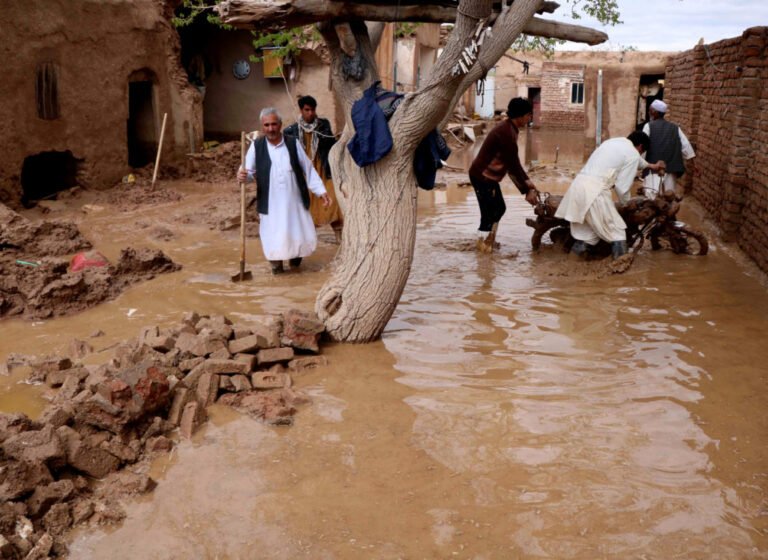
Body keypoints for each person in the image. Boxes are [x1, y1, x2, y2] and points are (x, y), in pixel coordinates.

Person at [237, 108, 330, 274]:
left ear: (280, 125)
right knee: (273, 236)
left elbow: (307, 169)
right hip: (270, 203)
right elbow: (247, 173)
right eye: (267, 125)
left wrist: (321, 191)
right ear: (262, 126)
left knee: (297, 235)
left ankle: (295, 266)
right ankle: (277, 268)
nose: (271, 129)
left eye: (274, 124)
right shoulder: (256, 146)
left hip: (294, 202)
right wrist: (243, 176)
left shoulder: (292, 143)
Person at [555, 131, 666, 260]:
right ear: (641, 147)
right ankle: (619, 271)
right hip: (595, 192)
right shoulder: (633, 154)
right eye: (641, 151)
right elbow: (622, 187)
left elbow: (636, 160)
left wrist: (652, 166)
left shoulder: (613, 143)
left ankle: (570, 265)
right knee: (618, 233)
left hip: (578, 188)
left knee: (589, 236)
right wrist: (627, 204)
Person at [468, 97, 539, 252]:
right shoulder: (506, 133)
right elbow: (512, 166)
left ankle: (489, 242)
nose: (529, 118)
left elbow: (514, 163)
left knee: (499, 208)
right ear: (520, 116)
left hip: (488, 177)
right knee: (488, 214)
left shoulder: (510, 129)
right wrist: (526, 191)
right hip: (482, 177)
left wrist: (528, 182)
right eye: (528, 115)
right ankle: (483, 249)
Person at [283, 95, 343, 243]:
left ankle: (339, 236)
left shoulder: (323, 125)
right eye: (307, 110)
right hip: (304, 173)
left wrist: (339, 140)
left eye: (312, 110)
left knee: (333, 199)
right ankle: (306, 239)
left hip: (323, 168)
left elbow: (330, 145)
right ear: (301, 110)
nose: (310, 113)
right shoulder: (291, 130)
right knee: (306, 205)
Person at [641, 99, 695, 199]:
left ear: (656, 112)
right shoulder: (675, 128)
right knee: (669, 197)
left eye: (650, 110)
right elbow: (686, 148)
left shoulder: (648, 126)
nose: (649, 112)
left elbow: (643, 147)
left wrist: (642, 164)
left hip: (653, 169)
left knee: (651, 198)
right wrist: (690, 161)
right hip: (671, 169)